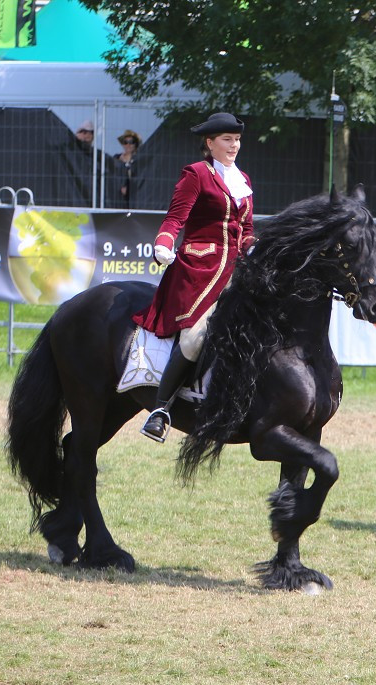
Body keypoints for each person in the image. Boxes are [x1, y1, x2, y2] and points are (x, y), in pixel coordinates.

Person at [132, 112, 256, 442]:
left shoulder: (242, 179)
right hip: (199, 269)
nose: (234, 145)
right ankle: (161, 409)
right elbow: (175, 219)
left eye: (237, 139)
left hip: (237, 270)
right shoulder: (196, 174)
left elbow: (245, 230)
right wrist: (162, 242)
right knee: (194, 338)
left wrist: (254, 247)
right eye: (227, 139)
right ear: (210, 143)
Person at [113, 129, 141, 209]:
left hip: (135, 197)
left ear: (136, 144)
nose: (128, 145)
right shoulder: (116, 158)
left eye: (131, 142)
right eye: (125, 142)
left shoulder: (139, 160)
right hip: (118, 198)